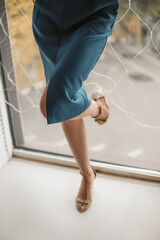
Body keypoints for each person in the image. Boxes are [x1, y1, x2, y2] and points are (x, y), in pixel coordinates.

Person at [32, 0, 119, 213]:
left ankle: (99, 110)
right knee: (66, 103)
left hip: (92, 14)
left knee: (56, 101)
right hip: (48, 15)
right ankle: (87, 174)